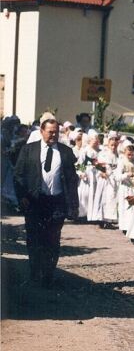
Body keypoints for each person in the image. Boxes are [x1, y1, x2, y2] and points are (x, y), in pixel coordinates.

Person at [13, 117, 79, 286]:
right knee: (34, 238)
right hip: (35, 201)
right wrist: (22, 197)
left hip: (56, 203)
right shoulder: (29, 150)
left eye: (56, 132)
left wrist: (73, 205)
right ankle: (35, 274)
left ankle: (49, 275)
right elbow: (18, 175)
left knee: (52, 239)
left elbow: (72, 180)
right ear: (41, 131)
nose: (53, 135)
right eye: (50, 132)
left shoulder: (65, 152)